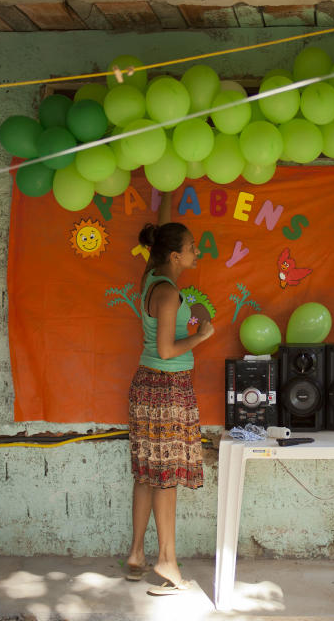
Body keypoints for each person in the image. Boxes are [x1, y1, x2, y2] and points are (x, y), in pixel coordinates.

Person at [125, 220, 215, 595]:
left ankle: (135, 555)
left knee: (148, 473)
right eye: (193, 246)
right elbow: (166, 350)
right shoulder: (166, 292)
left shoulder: (152, 279)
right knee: (166, 477)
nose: (198, 252)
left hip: (148, 386)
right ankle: (166, 560)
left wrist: (193, 310)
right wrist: (200, 335)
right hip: (167, 388)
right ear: (176, 255)